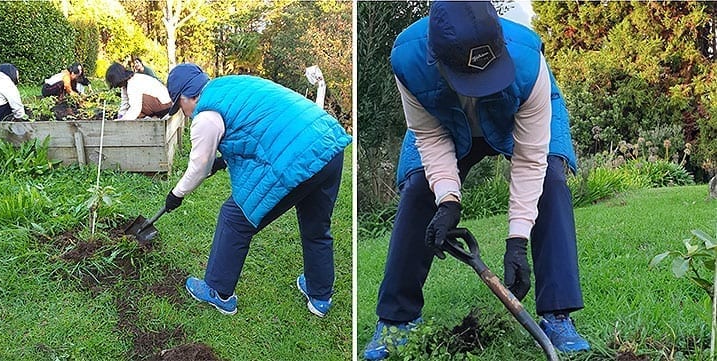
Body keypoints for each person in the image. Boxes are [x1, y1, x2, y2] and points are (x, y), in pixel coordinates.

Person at [363, 2, 589, 359]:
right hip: (445, 126)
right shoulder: (408, 60)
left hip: (518, 113)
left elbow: (530, 160)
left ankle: (557, 315)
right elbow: (430, 138)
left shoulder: (528, 62)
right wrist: (448, 199)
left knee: (550, 181)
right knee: (419, 189)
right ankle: (396, 320)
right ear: (437, 59)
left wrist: (517, 241)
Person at [160, 63, 351, 317]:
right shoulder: (231, 85)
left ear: (186, 97)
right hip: (327, 143)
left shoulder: (205, 115)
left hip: (298, 154)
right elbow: (258, 127)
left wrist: (176, 194)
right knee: (316, 225)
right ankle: (320, 295)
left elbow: (198, 168)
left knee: (235, 218)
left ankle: (218, 291)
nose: (183, 113)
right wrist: (222, 161)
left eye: (179, 107)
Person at [105, 62, 172, 120]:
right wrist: (120, 116)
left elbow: (135, 108)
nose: (117, 86)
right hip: (158, 105)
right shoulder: (125, 85)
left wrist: (124, 120)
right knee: (131, 110)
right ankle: (152, 117)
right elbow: (124, 102)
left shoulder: (134, 83)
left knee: (135, 107)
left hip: (165, 105)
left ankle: (155, 116)